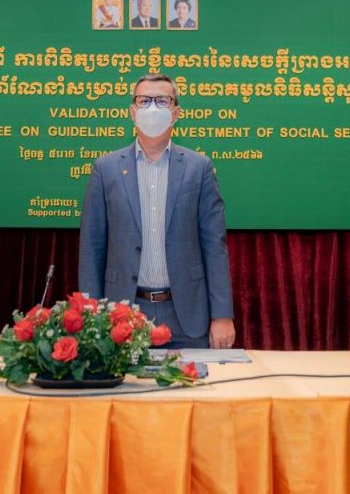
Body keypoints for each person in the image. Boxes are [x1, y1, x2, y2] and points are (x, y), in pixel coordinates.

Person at [79, 73, 235, 349]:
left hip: (187, 315)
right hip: (122, 315)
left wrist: (222, 315)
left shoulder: (199, 168)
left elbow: (214, 245)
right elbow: (92, 247)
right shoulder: (106, 168)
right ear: (132, 111)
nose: (153, 108)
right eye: (144, 100)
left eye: (162, 101)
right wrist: (91, 315)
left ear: (176, 113)